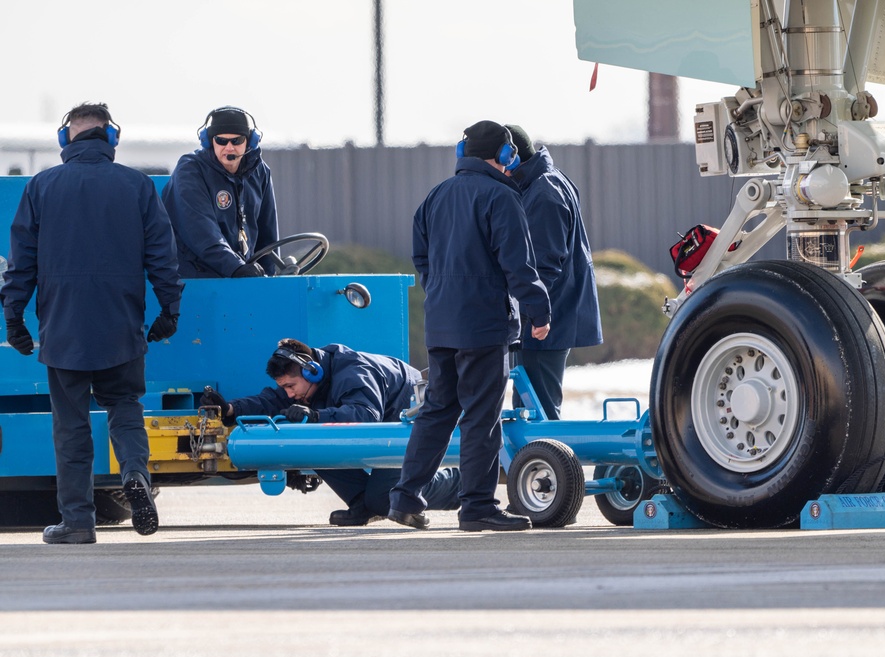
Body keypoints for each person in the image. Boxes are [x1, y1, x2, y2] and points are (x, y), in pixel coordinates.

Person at [1, 102, 183, 544]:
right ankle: (135, 475)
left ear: (67, 139)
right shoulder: (138, 186)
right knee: (125, 411)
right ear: (111, 138)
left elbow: (21, 263)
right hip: (121, 325)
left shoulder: (41, 186)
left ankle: (78, 522)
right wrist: (168, 313)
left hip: (63, 328)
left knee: (71, 425)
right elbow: (163, 258)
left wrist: (14, 320)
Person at [388, 120, 551, 532]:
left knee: (437, 412)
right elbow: (519, 264)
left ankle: (406, 498)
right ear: (505, 156)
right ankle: (477, 506)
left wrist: (442, 293)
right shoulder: (502, 197)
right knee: (482, 416)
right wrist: (539, 311)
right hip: (483, 326)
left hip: (442, 324)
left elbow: (420, 258)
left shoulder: (436, 196)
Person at [200, 339, 461, 525]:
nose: (290, 394)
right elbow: (270, 400)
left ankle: (459, 483)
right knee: (309, 440)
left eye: (291, 386)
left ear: (311, 372)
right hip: (385, 422)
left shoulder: (353, 372)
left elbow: (365, 416)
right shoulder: (309, 379)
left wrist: (314, 415)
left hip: (407, 420)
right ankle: (362, 502)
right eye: (286, 388)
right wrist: (231, 409)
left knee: (386, 500)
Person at [505, 125, 603, 420]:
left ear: (511, 159)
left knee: (538, 410)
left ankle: (546, 465)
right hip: (546, 316)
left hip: (545, 321)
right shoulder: (546, 181)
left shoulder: (543, 194)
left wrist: (532, 313)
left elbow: (544, 265)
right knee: (531, 405)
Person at [161, 106, 280, 278]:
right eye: (221, 141)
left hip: (239, 276)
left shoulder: (260, 172)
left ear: (250, 141)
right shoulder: (190, 171)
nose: (229, 147)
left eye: (237, 141)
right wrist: (236, 268)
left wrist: (269, 279)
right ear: (209, 141)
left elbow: (268, 237)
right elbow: (202, 232)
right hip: (196, 280)